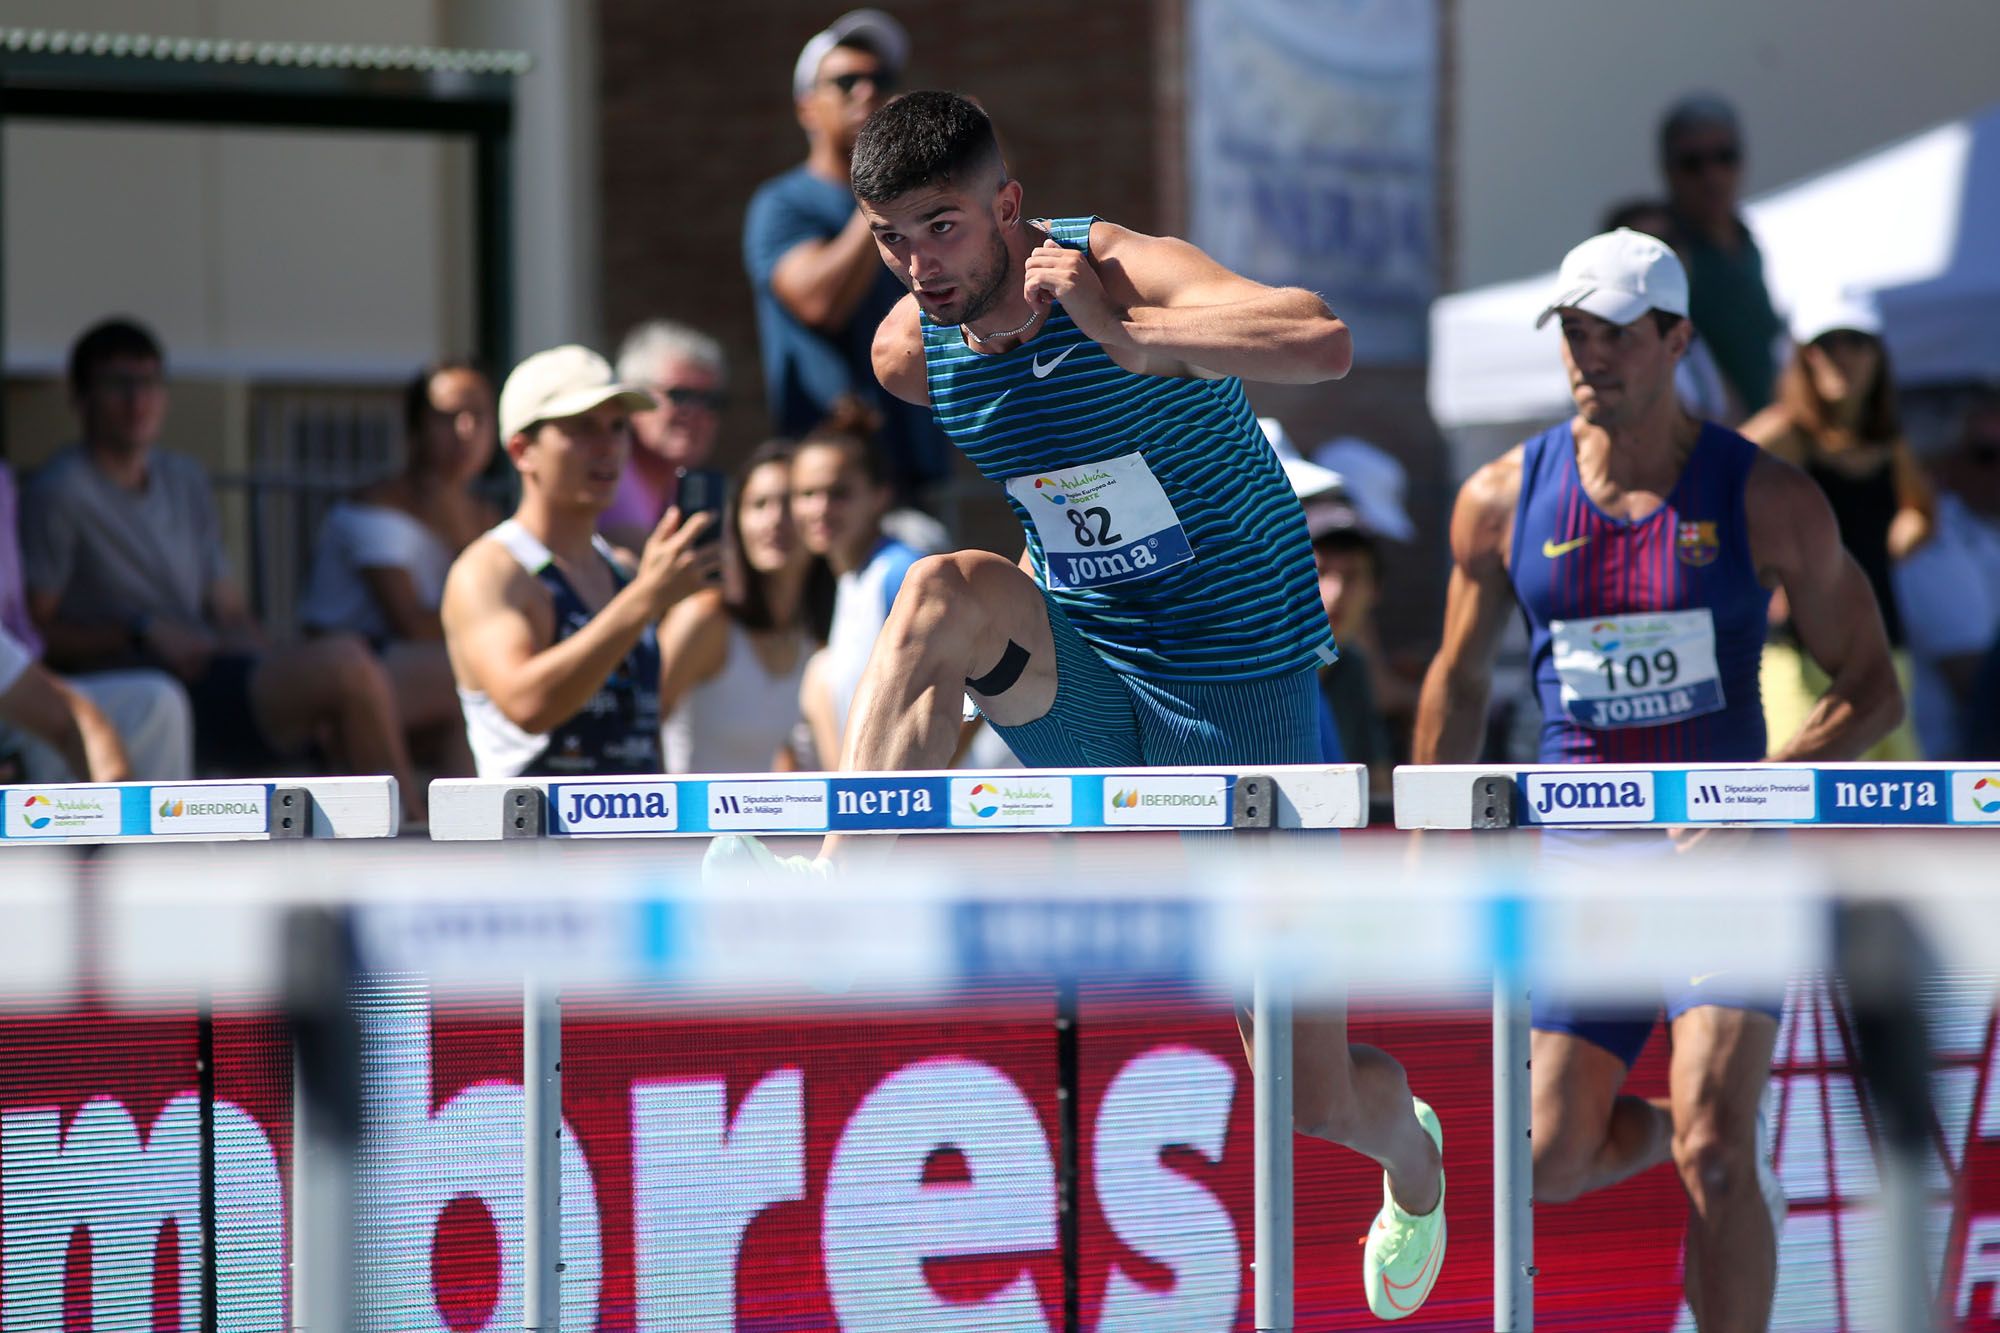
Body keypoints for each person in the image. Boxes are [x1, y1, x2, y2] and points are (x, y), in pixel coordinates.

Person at [711, 90, 1446, 1320]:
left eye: (940, 228)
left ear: (1009, 205)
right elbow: (945, 365)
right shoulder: (909, 347)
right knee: (944, 589)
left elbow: (1320, 338)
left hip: (1237, 696)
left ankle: (1413, 1165)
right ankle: (837, 889)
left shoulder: (1117, 262)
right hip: (1091, 674)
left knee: (1305, 1096)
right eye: (889, 239)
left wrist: (1138, 334)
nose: (916, 266)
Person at [1412, 229, 1902, 1331]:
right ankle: (1691, 1139)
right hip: (1586, 868)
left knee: (1718, 1158)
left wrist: (1757, 790)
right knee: (1543, 1157)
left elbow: (1872, 688)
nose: (1589, 357)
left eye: (1614, 335)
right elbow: (1448, 683)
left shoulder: (1766, 496)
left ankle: (1716, 1153)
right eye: (1572, 335)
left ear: (1676, 339)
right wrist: (1420, 851)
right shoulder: (1501, 496)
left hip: (1721, 862)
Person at [20, 318, 421, 820]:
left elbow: (229, 607)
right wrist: (139, 632)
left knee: (426, 682)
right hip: (143, 688)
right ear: (80, 399)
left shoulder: (184, 477)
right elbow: (36, 634)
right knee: (346, 666)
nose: (138, 400)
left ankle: (474, 857)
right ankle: (416, 844)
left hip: (218, 673)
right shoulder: (59, 492)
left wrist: (280, 667)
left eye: (150, 383)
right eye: (119, 384)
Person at [441, 345, 718, 779]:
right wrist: (645, 598)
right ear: (521, 451)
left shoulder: (623, 568)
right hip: (536, 842)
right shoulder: (490, 570)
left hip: (642, 841)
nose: (607, 447)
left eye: (617, 427)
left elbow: (641, 728)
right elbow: (527, 704)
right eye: (583, 428)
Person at [742, 9, 951, 499]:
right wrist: (886, 186)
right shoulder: (783, 203)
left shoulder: (916, 201)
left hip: (912, 464)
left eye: (880, 79)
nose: (867, 93)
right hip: (824, 479)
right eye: (846, 81)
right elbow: (818, 300)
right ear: (807, 108)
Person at [1744, 290, 1927, 761]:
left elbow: (1921, 511)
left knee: (1905, 811)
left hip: (1886, 647)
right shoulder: (1780, 436)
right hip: (1800, 656)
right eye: (1828, 345)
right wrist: (1769, 572)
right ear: (1804, 357)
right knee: (1803, 807)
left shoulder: (1887, 442)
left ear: (1877, 356)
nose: (1842, 358)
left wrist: (1891, 543)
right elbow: (1708, 504)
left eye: (1855, 342)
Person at [298, 361, 501, 777]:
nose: (466, 430)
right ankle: (416, 823)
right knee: (481, 676)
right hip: (351, 679)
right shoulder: (374, 509)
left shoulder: (486, 516)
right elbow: (410, 624)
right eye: (446, 417)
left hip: (422, 682)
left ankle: (471, 832)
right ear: (415, 428)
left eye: (478, 416)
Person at [0, 458, 191, 783]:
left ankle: (141, 834)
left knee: (158, 705)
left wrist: (113, 813)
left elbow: (74, 717)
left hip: (22, 705)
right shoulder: (63, 488)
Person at [659, 440, 834, 773]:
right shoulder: (705, 617)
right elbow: (640, 729)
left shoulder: (819, 637)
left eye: (788, 502)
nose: (775, 520)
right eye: (758, 505)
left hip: (774, 825)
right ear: (735, 520)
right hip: (692, 823)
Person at [789, 413, 922, 771]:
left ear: (880, 496)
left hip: (928, 816)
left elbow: (969, 703)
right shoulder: (849, 580)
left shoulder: (901, 574)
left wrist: (907, 792)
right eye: (806, 494)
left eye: (838, 493)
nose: (820, 509)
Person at [1660, 94, 1784, 416]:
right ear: (1668, 170)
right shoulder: (1664, 253)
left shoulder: (1749, 239)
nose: (1711, 176)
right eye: (1693, 163)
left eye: (1724, 157)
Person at [1892, 387, 2000, 758]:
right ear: (1946, 463)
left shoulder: (1986, 531)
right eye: (1987, 455)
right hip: (1957, 779)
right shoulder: (1936, 542)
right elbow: (1973, 681)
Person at [1286, 458, 1392, 805]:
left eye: (1353, 577)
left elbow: (1374, 791)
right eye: (1320, 571)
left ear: (1375, 591)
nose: (1336, 594)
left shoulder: (1352, 665)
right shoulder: (1260, 670)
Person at [1600, 198, 1738, 423]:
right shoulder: (1614, 349)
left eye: (1668, 242)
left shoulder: (1690, 332)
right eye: (1641, 249)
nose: (1659, 258)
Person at [601, 320, 728, 554]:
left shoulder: (685, 489)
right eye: (679, 395)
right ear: (633, 397)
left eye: (710, 401)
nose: (696, 413)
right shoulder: (604, 474)